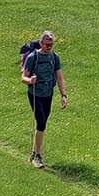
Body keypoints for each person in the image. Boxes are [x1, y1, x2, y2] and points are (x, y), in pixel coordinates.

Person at [21, 30, 66, 167]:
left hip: (48, 93)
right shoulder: (33, 57)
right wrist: (30, 80)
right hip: (35, 94)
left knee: (43, 123)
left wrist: (64, 95)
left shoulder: (55, 57)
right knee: (41, 122)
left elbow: (59, 77)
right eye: (47, 44)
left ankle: (35, 152)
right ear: (41, 43)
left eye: (51, 45)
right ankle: (37, 156)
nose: (49, 47)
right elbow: (23, 78)